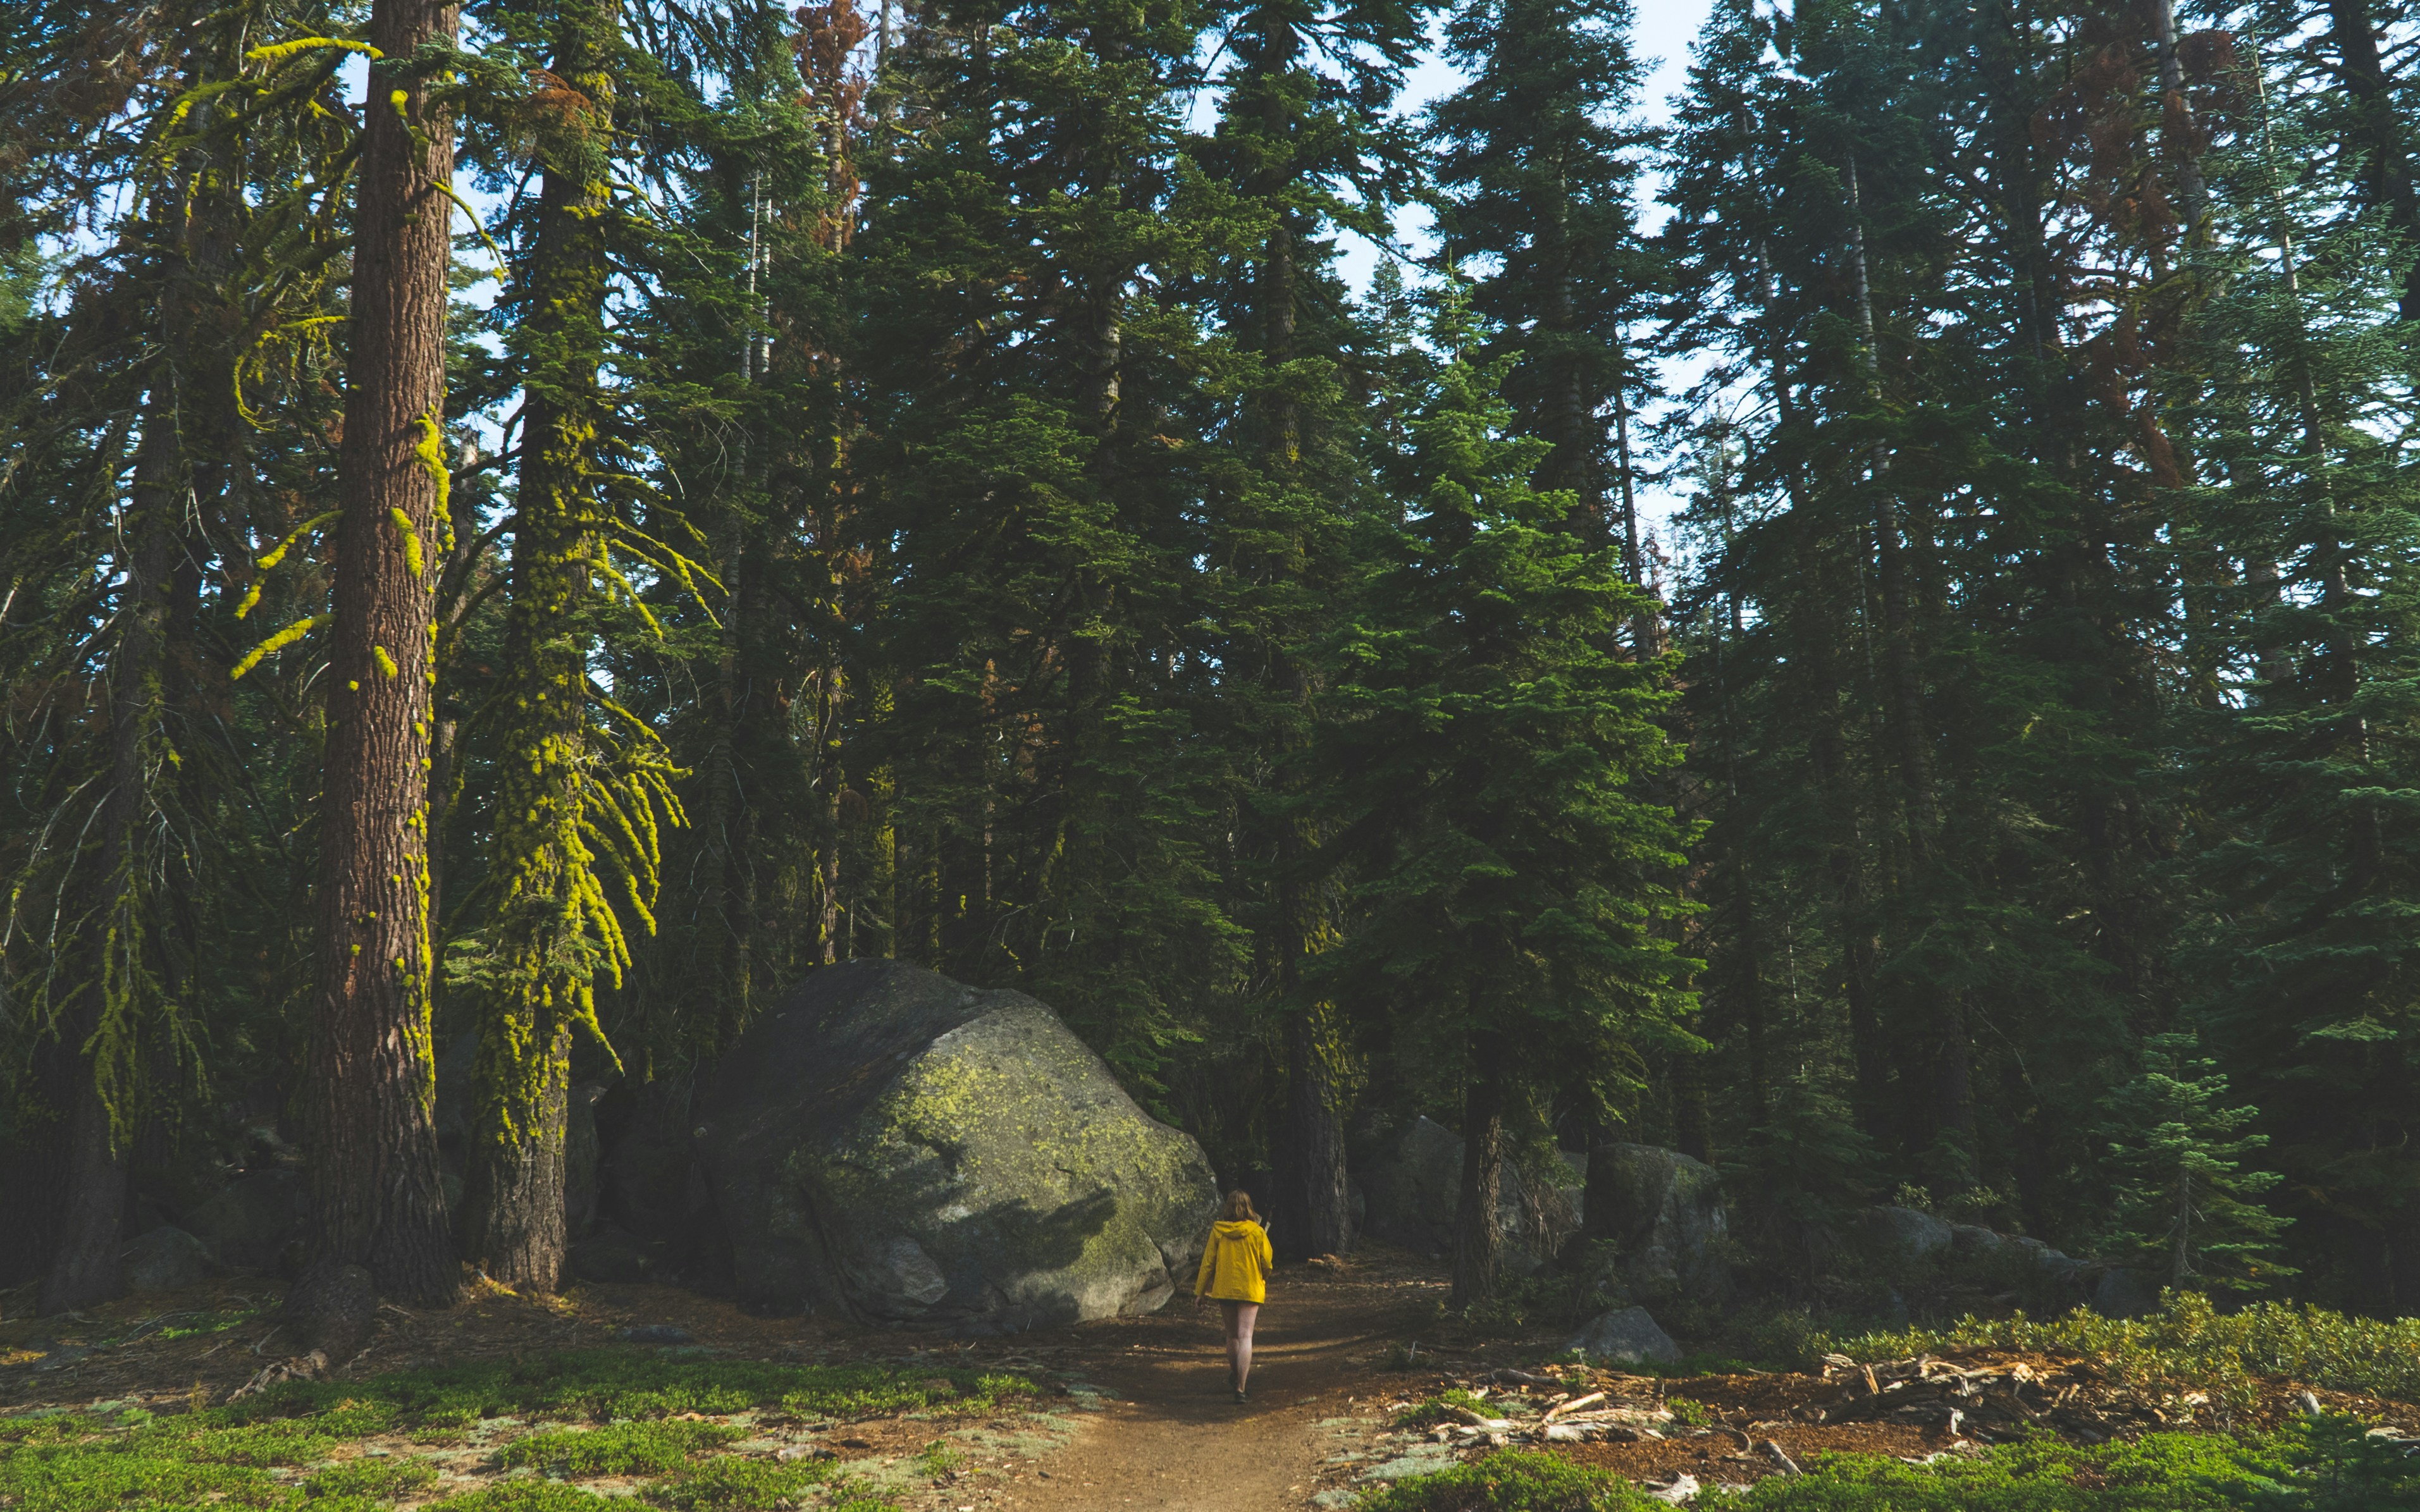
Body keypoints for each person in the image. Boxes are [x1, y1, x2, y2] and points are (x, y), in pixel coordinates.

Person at [1193, 1190, 1273, 1403]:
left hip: (1225, 1289)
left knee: (1232, 1336)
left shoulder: (1218, 1231)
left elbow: (1208, 1263)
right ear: (1249, 1207)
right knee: (1246, 1336)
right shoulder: (1257, 1233)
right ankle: (1241, 1387)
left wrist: (1200, 1292)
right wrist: (1263, 1276)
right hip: (1250, 1289)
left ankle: (1236, 1375)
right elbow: (1267, 1262)